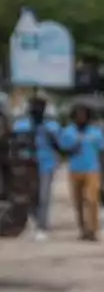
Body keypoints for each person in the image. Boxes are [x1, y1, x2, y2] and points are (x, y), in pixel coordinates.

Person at [13, 96, 63, 240]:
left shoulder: (52, 127)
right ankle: (34, 219)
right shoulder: (21, 126)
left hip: (46, 164)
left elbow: (59, 146)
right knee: (29, 195)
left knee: (44, 195)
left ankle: (42, 224)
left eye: (40, 108)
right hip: (27, 165)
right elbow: (15, 144)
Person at [60, 104, 104, 241]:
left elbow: (102, 151)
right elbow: (63, 149)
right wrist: (74, 146)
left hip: (92, 170)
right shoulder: (68, 132)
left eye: (84, 115)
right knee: (78, 201)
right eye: (78, 115)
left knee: (92, 200)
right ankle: (83, 229)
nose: (81, 118)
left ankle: (92, 229)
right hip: (75, 170)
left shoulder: (95, 132)